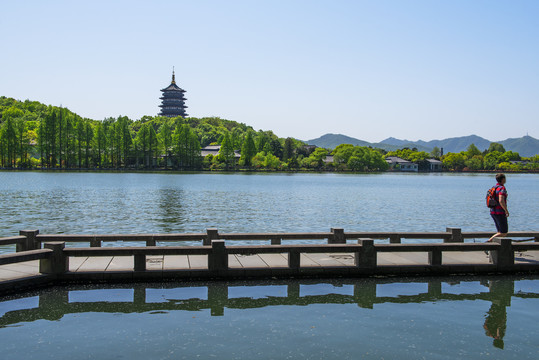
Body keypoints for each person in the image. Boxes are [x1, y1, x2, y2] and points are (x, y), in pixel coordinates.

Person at [487, 173, 509, 242]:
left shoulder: (494, 187)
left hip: (493, 211)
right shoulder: (502, 188)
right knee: (503, 232)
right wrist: (506, 210)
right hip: (500, 212)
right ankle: (488, 242)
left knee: (499, 231)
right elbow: (501, 200)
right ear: (503, 179)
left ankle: (494, 247)